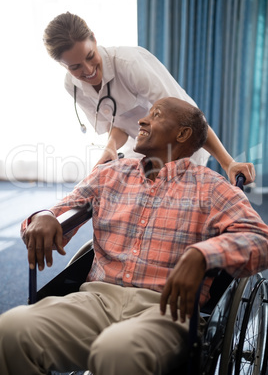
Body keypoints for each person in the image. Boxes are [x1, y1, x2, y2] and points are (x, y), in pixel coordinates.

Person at [0, 98, 267, 375]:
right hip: (95, 300)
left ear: (183, 133)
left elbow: (260, 239)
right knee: (11, 329)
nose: (142, 120)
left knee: (116, 351)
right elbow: (56, 214)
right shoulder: (110, 173)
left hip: (165, 310)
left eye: (156, 115)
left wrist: (204, 254)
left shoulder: (211, 186)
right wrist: (43, 216)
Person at [43, 12, 255, 185]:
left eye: (90, 56)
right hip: (140, 151)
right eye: (75, 67)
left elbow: (191, 120)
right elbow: (120, 126)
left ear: (95, 41)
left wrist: (228, 164)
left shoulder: (130, 63)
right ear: (62, 65)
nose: (88, 70)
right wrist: (110, 148)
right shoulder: (73, 86)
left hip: (180, 147)